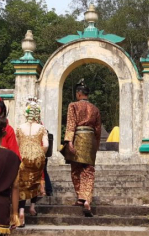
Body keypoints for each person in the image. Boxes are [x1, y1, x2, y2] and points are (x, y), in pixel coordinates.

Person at [63, 79, 101, 217]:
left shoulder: (73, 105)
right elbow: (97, 130)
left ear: (79, 94)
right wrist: (95, 146)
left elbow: (71, 124)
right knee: (89, 171)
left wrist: (69, 142)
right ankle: (86, 200)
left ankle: (80, 196)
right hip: (90, 140)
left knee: (76, 170)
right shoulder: (95, 109)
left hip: (78, 138)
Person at [16, 99, 48, 226]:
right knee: (35, 182)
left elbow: (16, 145)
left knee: (22, 184)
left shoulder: (19, 128)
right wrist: (40, 153)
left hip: (23, 156)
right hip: (37, 157)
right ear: (37, 114)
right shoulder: (41, 128)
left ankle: (21, 211)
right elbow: (46, 145)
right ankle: (32, 207)